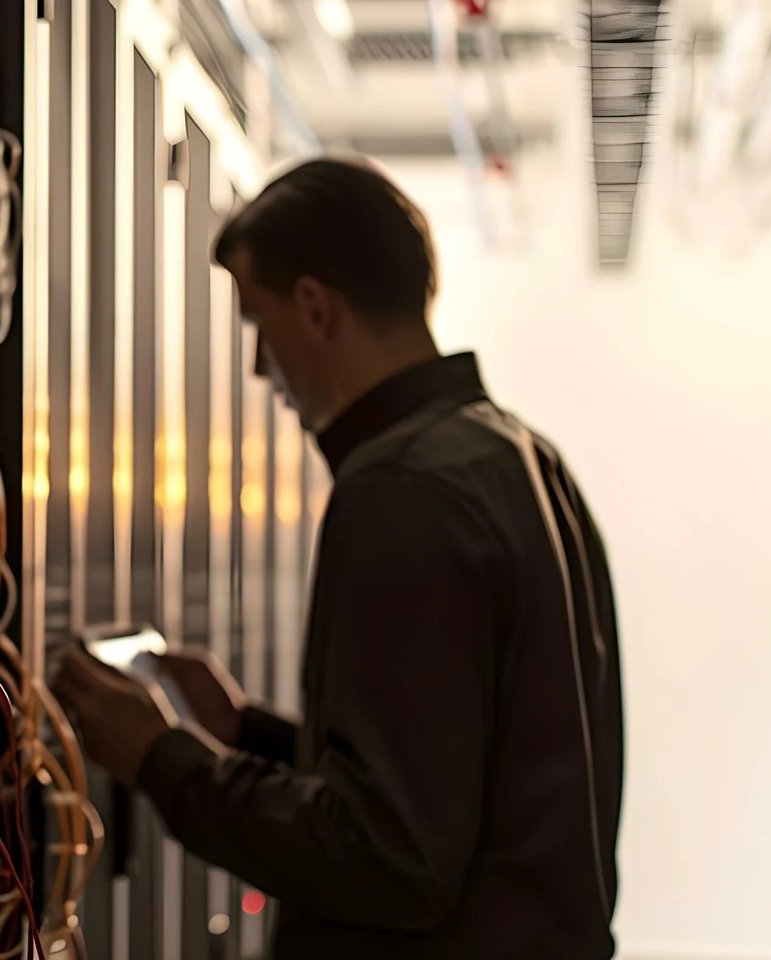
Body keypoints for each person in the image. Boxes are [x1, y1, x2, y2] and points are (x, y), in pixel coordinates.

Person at [50, 157, 624, 959]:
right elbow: (453, 781)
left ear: (316, 310)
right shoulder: (518, 456)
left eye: (260, 324)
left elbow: (388, 860)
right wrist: (247, 734)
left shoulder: (404, 488)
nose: (261, 367)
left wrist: (162, 760)